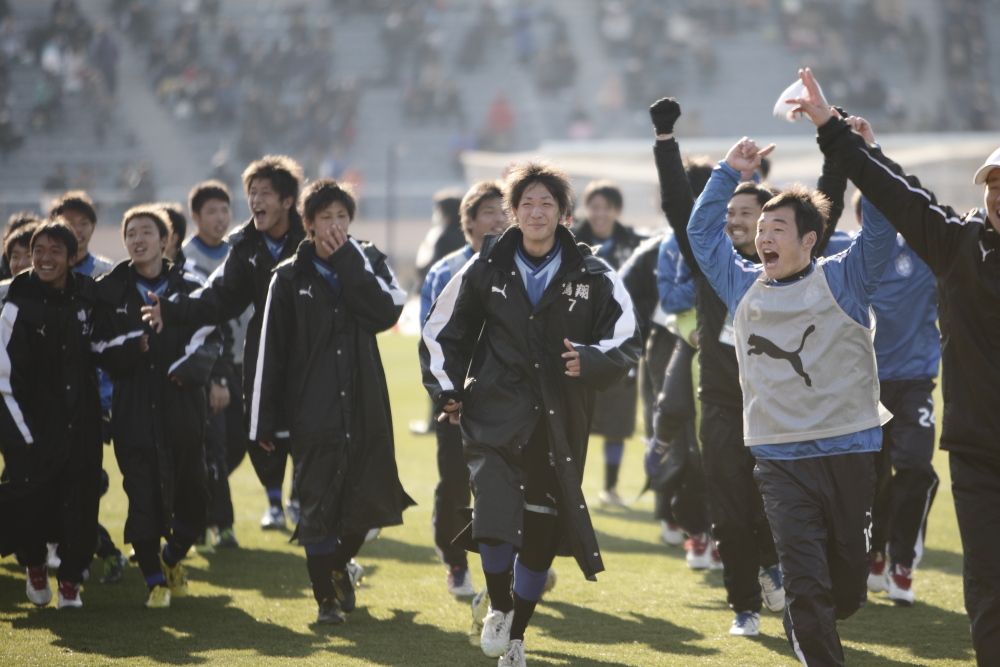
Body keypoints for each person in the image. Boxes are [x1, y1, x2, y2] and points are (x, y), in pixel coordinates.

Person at [795, 63, 1000, 664]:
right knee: (989, 579)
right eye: (993, 185)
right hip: (980, 452)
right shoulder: (959, 246)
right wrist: (839, 134)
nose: (998, 195)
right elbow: (902, 198)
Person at [688, 104, 896, 665]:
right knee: (805, 584)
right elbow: (701, 234)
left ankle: (815, 617)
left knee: (846, 590)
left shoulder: (845, 278)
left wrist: (867, 157)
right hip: (779, 459)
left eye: (776, 228)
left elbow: (882, 224)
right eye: (760, 230)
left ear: (810, 240)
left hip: (850, 450)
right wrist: (727, 172)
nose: (763, 237)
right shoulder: (741, 287)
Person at [420, 160, 642, 667]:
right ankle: (499, 607)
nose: (536, 212)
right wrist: (448, 389)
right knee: (494, 517)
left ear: (565, 214)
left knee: (541, 529)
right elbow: (442, 329)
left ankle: (517, 636)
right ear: (513, 212)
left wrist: (591, 359)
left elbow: (628, 337)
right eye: (526, 203)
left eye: (547, 203)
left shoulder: (594, 272)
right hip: (494, 412)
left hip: (559, 420)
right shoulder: (486, 265)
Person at [250, 178, 414, 624]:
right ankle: (326, 600)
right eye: (326, 218)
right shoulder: (287, 277)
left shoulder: (369, 260)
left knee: (371, 504)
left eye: (343, 216)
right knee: (317, 508)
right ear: (307, 223)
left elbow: (386, 313)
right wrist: (263, 423)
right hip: (312, 412)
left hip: (366, 406)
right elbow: (270, 353)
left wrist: (347, 261)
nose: (336, 225)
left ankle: (339, 566)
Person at [650, 97, 782, 634]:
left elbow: (831, 202)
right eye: (728, 213)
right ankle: (744, 606)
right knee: (728, 504)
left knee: (774, 503)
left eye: (746, 212)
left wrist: (841, 146)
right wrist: (665, 139)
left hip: (781, 406)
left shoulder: (792, 267)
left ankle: (773, 564)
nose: (735, 220)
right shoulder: (710, 265)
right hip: (723, 404)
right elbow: (678, 206)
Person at [141, 156, 307, 531]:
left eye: (265, 192)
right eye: (252, 192)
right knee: (262, 435)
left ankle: (313, 513)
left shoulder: (311, 238)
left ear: (287, 201)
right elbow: (218, 296)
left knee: (314, 437)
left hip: (315, 359)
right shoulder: (246, 245)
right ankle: (277, 504)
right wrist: (173, 309)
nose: (256, 200)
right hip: (264, 359)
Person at [92, 205, 221, 609]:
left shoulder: (191, 284)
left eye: (146, 232)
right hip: (132, 408)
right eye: (131, 233)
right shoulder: (109, 289)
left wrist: (186, 370)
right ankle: (154, 582)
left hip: (182, 405)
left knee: (195, 501)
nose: (138, 240)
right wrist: (132, 346)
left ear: (165, 240)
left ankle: (171, 557)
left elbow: (212, 336)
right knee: (142, 495)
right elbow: (95, 344)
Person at [840, 190, 940, 607]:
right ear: (860, 220)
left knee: (915, 468)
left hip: (914, 382)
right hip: (865, 384)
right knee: (872, 479)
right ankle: (875, 552)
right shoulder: (846, 256)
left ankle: (902, 563)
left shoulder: (926, 253)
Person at [0, 221, 103, 609]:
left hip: (83, 422)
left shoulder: (89, 295)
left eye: (55, 250)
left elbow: (109, 343)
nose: (45, 258)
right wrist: (23, 437)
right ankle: (34, 565)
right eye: (38, 250)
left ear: (72, 257)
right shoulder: (16, 302)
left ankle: (71, 582)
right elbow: (5, 379)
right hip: (32, 427)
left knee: (81, 503)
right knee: (32, 501)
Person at [419, 179, 508, 598]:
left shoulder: (519, 263)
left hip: (505, 398)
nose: (499, 219)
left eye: (505, 212)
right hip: (456, 399)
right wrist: (449, 395)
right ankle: (455, 563)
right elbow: (433, 338)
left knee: (507, 484)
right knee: (455, 481)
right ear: (468, 221)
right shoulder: (445, 271)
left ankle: (517, 565)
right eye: (489, 212)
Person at [571, 180, 646, 507]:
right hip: (576, 342)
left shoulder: (635, 244)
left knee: (617, 420)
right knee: (574, 419)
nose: (600, 213)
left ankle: (611, 488)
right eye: (594, 206)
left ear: (617, 210)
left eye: (607, 207)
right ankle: (570, 487)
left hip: (618, 343)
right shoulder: (568, 241)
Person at [182, 180, 248, 549]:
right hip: (210, 366)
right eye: (212, 211)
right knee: (216, 446)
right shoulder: (186, 258)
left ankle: (204, 507)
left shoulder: (239, 251)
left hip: (245, 362)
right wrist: (217, 375)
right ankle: (219, 523)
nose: (221, 218)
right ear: (195, 216)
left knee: (240, 442)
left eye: (225, 210)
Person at [50, 190, 114, 278]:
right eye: (70, 223)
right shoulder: (46, 270)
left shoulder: (108, 272)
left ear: (93, 227)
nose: (77, 230)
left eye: (83, 223)